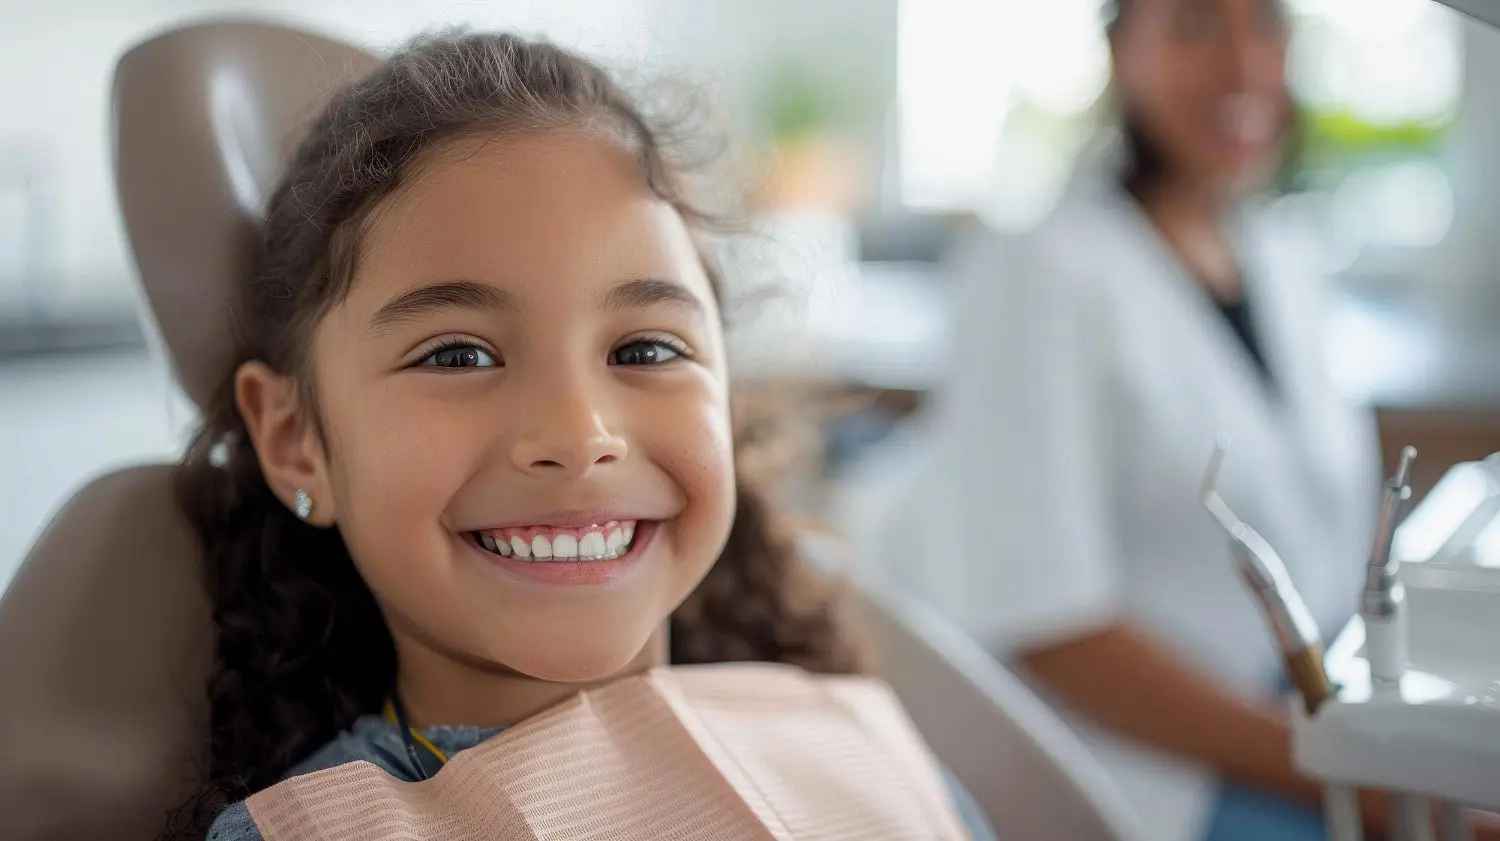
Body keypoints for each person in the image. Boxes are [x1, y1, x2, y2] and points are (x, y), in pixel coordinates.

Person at [164, 32, 996, 841]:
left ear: (728, 403)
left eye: (646, 349)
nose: (579, 433)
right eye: (458, 353)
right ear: (295, 437)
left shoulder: (857, 737)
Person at [850, 1, 1500, 840]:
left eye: (1265, 26)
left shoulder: (1278, 253)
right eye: (1195, 27)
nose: (1243, 66)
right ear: (1123, 54)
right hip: (1152, 777)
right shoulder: (1038, 274)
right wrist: (1360, 777)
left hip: (1303, 725)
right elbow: (1057, 627)